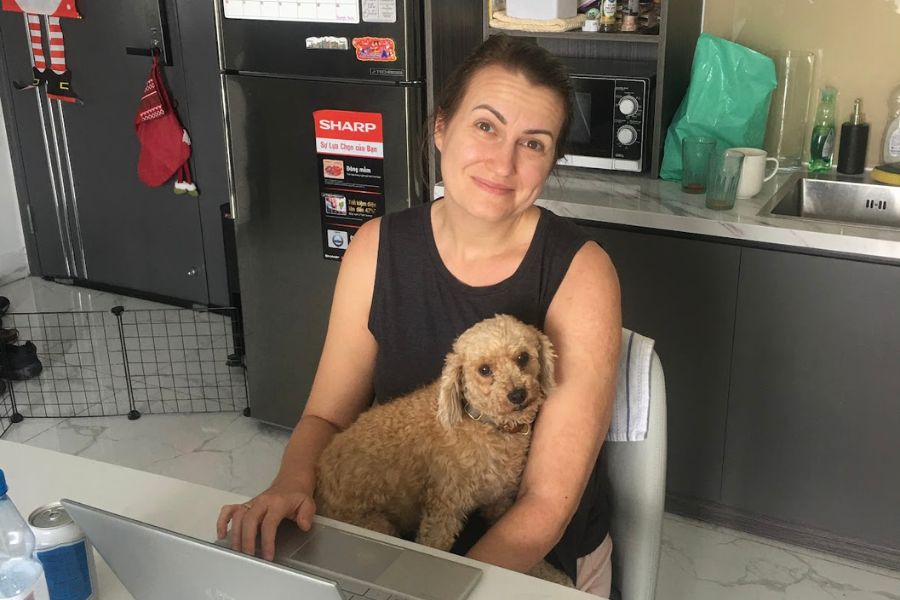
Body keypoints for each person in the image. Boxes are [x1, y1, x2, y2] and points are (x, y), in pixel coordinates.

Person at [217, 34, 622, 597]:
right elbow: (326, 420)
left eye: (533, 143)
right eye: (486, 126)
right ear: (440, 127)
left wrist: (435, 588)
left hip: (533, 553)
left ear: (550, 163)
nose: (503, 162)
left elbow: (545, 503)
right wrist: (290, 484)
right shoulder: (375, 249)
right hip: (397, 540)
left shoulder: (581, 271)